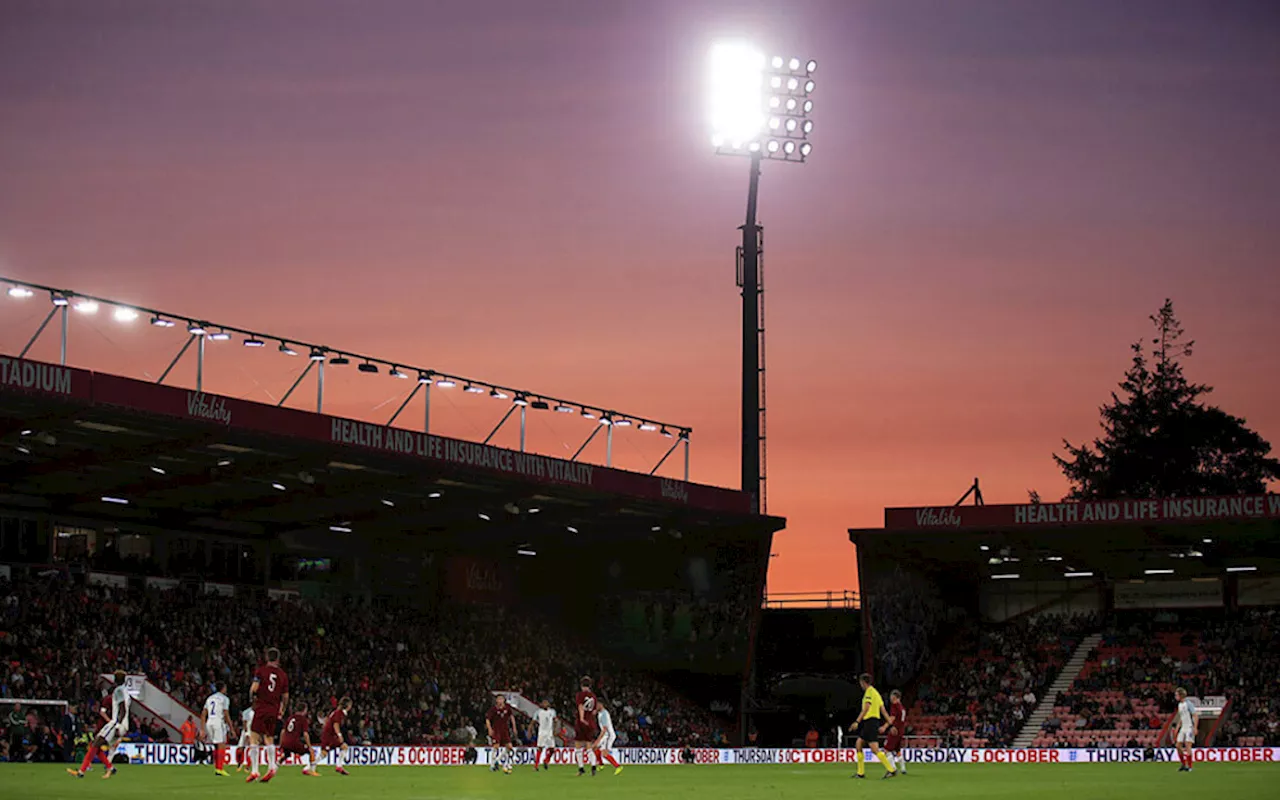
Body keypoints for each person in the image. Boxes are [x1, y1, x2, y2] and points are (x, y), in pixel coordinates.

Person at [66, 669, 129, 780]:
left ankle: (81, 772)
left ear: (115, 679)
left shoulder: (118, 691)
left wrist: (118, 725)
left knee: (94, 744)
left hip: (115, 723)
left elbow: (123, 709)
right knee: (96, 746)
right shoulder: (125, 691)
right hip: (119, 723)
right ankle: (110, 767)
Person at [246, 647, 289, 784]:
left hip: (261, 707)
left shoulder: (261, 671)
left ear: (267, 657)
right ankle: (271, 767)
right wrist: (282, 709)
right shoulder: (283, 675)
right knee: (269, 737)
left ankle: (254, 771)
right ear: (278, 659)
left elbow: (254, 688)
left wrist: (252, 700)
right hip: (274, 709)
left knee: (254, 736)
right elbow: (286, 696)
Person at [848, 673, 896, 780]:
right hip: (873, 722)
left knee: (874, 749)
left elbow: (866, 708)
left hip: (870, 722)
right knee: (859, 744)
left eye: (860, 683)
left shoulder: (869, 692)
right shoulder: (876, 693)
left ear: (863, 682)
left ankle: (891, 770)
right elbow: (883, 710)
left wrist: (857, 721)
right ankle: (860, 773)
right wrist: (890, 725)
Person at [202, 681, 234, 776]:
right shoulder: (224, 699)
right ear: (223, 688)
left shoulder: (210, 698)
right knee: (221, 744)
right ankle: (220, 768)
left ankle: (217, 768)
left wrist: (202, 729)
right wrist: (231, 728)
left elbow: (203, 714)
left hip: (209, 722)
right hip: (218, 722)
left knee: (216, 745)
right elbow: (226, 713)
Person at [280, 702, 318, 777]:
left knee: (286, 755)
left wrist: (281, 743)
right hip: (294, 743)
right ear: (304, 710)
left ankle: (274, 767)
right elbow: (305, 734)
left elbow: (283, 731)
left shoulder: (290, 718)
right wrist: (309, 746)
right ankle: (310, 770)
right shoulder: (303, 719)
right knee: (312, 752)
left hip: (285, 742)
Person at [319, 697, 353, 776]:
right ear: (348, 705)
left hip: (330, 735)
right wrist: (339, 735)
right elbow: (336, 724)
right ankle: (308, 767)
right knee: (324, 753)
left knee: (344, 746)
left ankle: (339, 766)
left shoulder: (339, 712)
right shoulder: (339, 713)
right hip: (329, 736)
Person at [485, 694, 517, 774]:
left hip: (505, 730)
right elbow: (488, 719)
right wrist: (489, 729)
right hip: (496, 730)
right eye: (498, 699)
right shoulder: (493, 709)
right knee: (496, 746)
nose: (500, 701)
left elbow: (512, 717)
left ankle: (497, 761)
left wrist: (514, 727)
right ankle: (492, 766)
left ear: (504, 700)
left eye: (501, 699)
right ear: (496, 700)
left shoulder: (507, 708)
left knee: (509, 747)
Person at [574, 676, 599, 777]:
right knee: (589, 747)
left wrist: (582, 718)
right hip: (591, 723)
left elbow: (580, 706)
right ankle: (593, 767)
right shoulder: (593, 696)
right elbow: (594, 711)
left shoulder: (580, 695)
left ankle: (581, 768)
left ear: (581, 685)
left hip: (582, 723)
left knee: (578, 746)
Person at [881, 689, 907, 775]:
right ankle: (903, 768)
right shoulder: (902, 707)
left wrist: (885, 726)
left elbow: (892, 717)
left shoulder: (895, 706)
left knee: (886, 750)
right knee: (897, 750)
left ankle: (892, 768)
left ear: (895, 697)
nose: (890, 698)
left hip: (894, 731)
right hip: (901, 731)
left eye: (891, 697)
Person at [593, 702, 622, 775]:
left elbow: (604, 729)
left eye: (596, 705)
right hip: (605, 735)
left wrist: (598, 740)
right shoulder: (600, 713)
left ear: (601, 705)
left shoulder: (604, 715)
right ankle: (601, 764)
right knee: (594, 748)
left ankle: (618, 766)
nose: (595, 707)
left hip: (608, 735)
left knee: (604, 753)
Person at [1173, 688, 1198, 772]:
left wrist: (1195, 727)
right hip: (1183, 727)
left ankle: (1190, 766)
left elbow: (1195, 715)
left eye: (1176, 695)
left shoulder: (1188, 704)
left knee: (1188, 746)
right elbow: (1181, 717)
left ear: (1181, 695)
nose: (1175, 697)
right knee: (1178, 745)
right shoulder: (1180, 705)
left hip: (1189, 727)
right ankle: (1183, 764)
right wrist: (1177, 727)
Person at [531, 699, 556, 771]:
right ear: (541, 704)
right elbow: (533, 722)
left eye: (546, 703)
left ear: (548, 704)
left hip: (550, 733)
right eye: (543, 703)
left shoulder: (552, 711)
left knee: (552, 749)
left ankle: (546, 760)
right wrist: (530, 730)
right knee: (540, 748)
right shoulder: (538, 712)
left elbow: (555, 720)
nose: (545, 704)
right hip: (542, 733)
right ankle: (536, 766)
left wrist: (554, 730)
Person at [235, 706, 254, 773]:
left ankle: (248, 767)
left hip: (253, 732)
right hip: (245, 732)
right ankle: (240, 763)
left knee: (251, 749)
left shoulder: (258, 712)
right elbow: (244, 723)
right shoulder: (246, 712)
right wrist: (246, 734)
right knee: (240, 749)